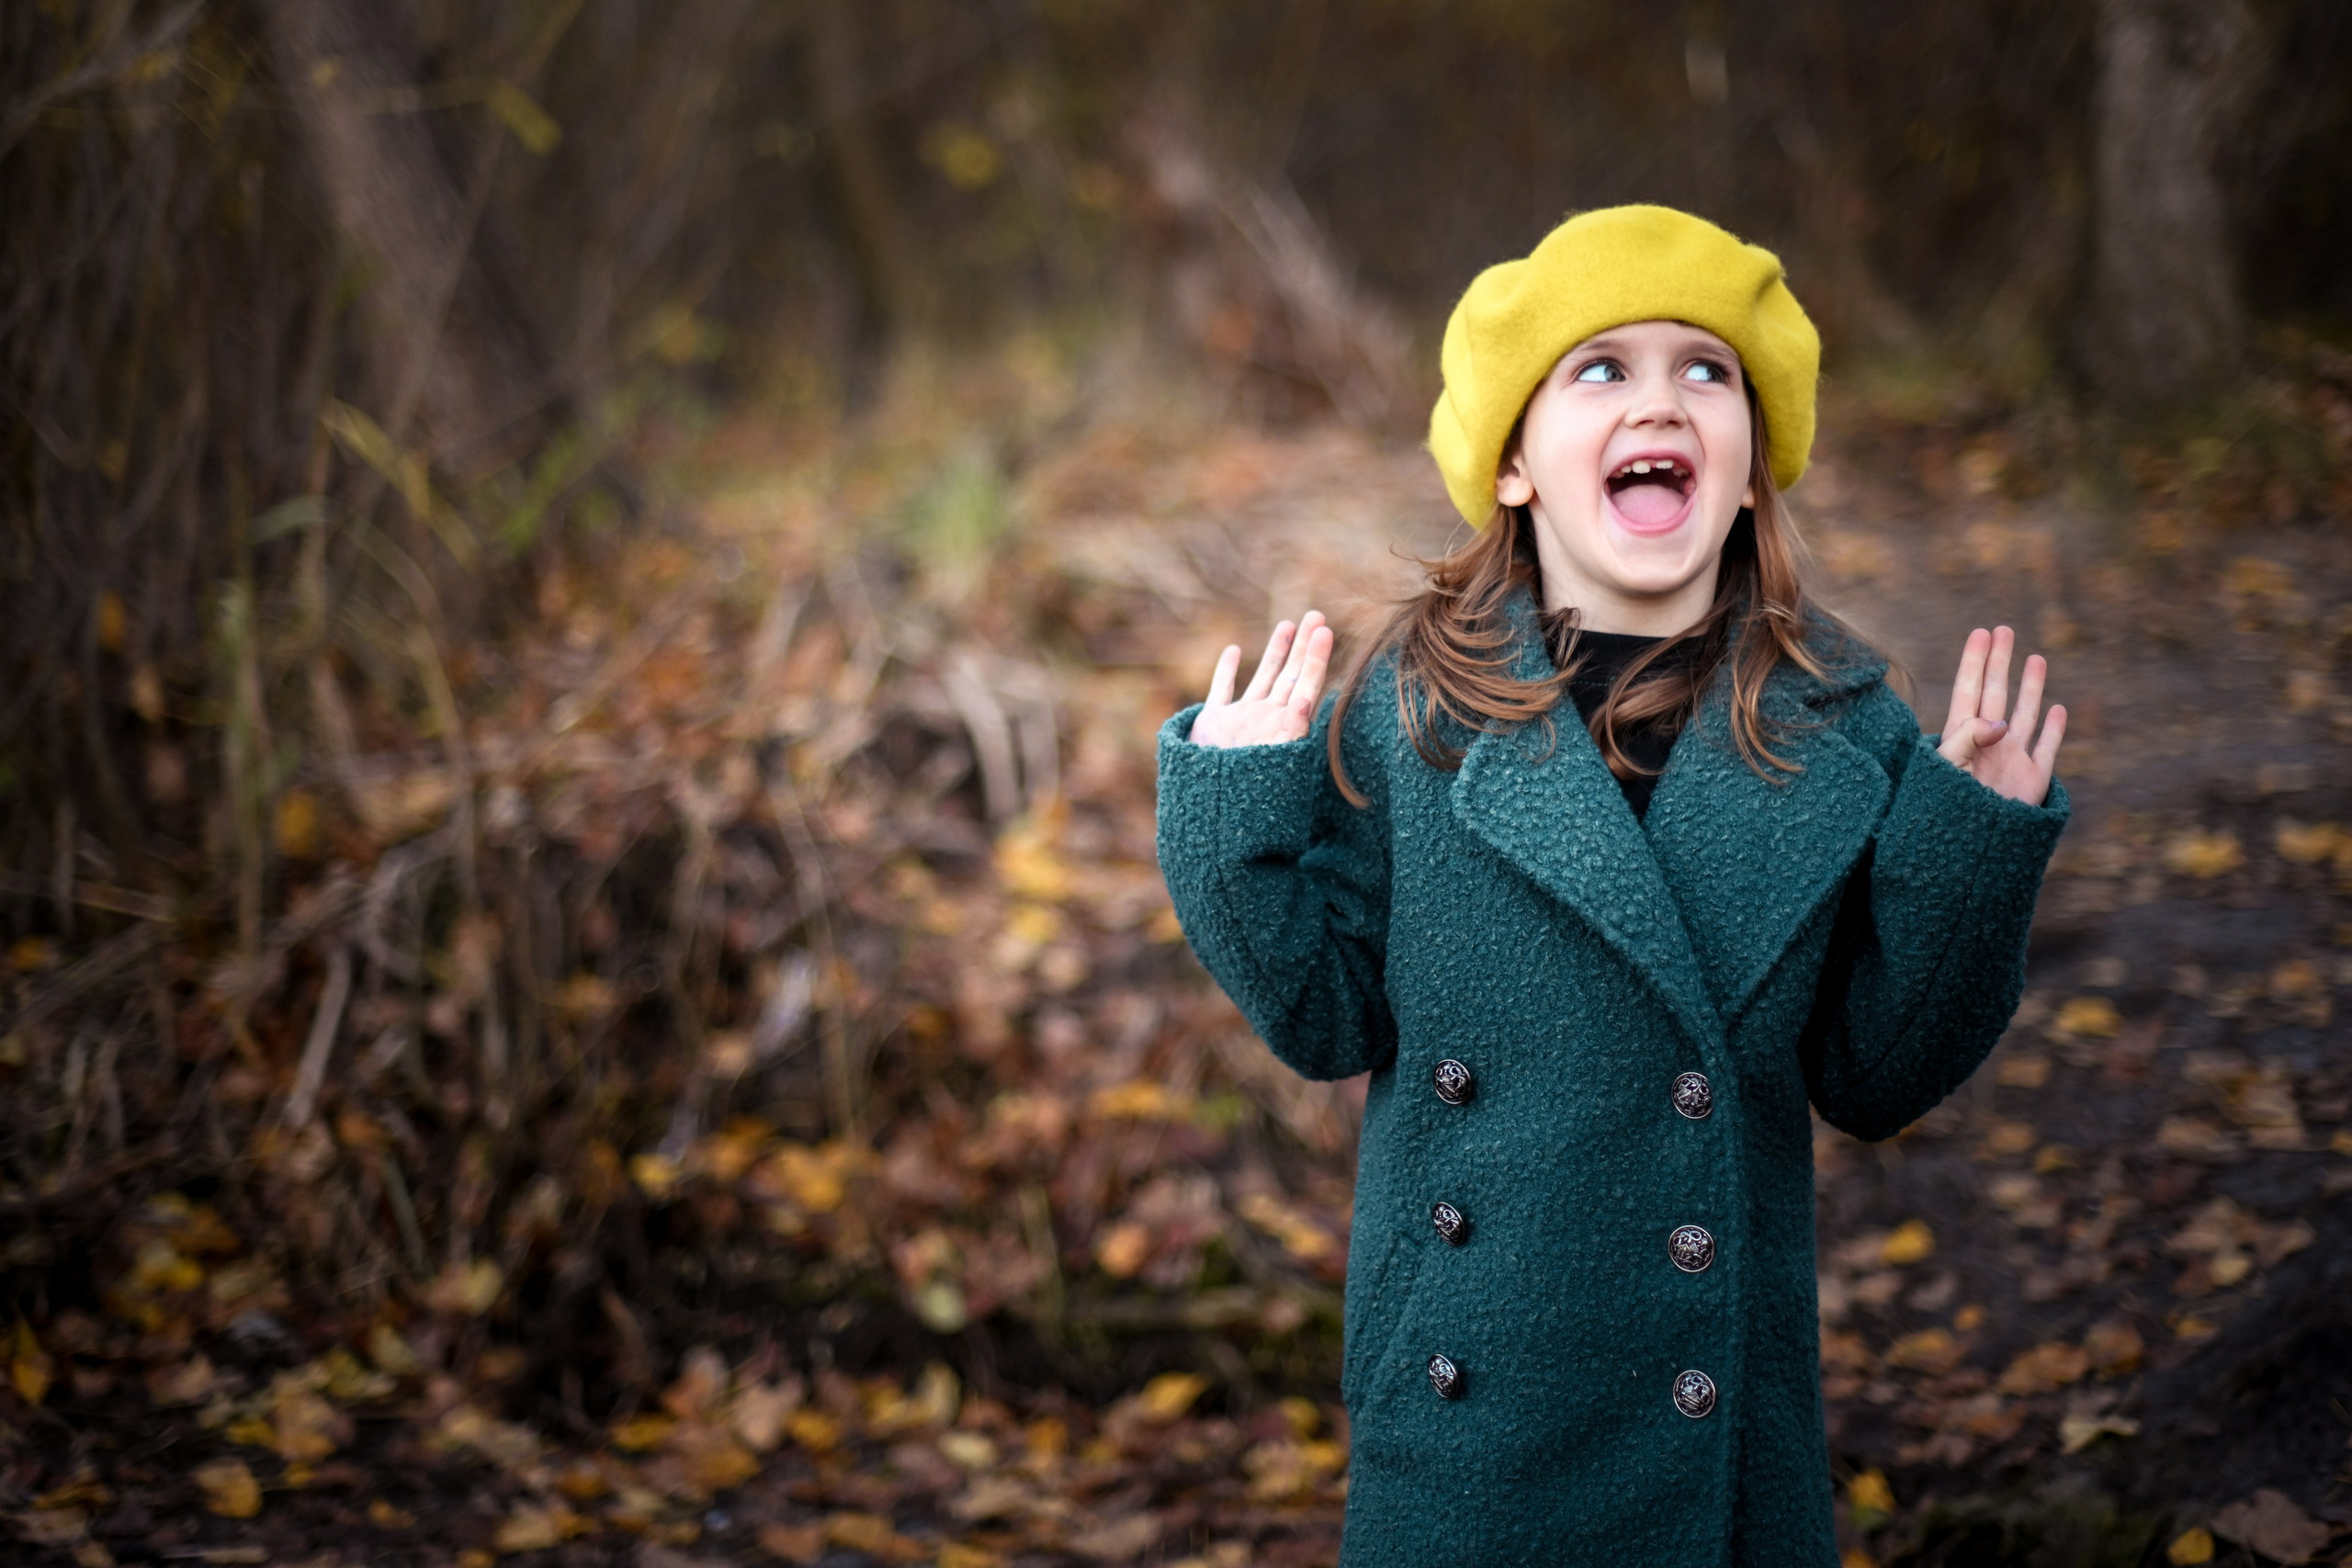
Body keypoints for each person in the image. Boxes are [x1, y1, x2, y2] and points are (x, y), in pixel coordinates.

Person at [1154, 205, 2069, 1566]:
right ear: (1515, 462)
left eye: (1708, 371)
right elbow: (1325, 1020)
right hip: (1465, 1435)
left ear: (1755, 468)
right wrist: (1227, 815)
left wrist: (1972, 847)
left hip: (1719, 1436)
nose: (1664, 400)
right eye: (1603, 370)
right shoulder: (1411, 709)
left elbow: (1876, 1075)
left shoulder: (1843, 726)